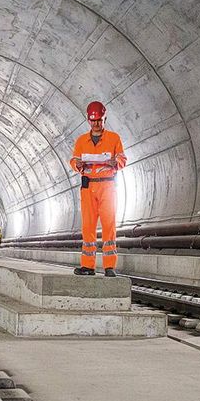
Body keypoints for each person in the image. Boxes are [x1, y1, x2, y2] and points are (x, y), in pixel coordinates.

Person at [69, 101, 127, 276]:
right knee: (88, 227)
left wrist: (114, 162)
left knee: (109, 225)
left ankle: (109, 266)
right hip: (88, 188)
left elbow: (123, 159)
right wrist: (77, 164)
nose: (96, 124)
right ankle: (88, 266)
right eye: (93, 120)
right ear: (88, 120)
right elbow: (73, 161)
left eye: (99, 120)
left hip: (107, 186)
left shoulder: (114, 138)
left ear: (104, 119)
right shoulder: (81, 141)